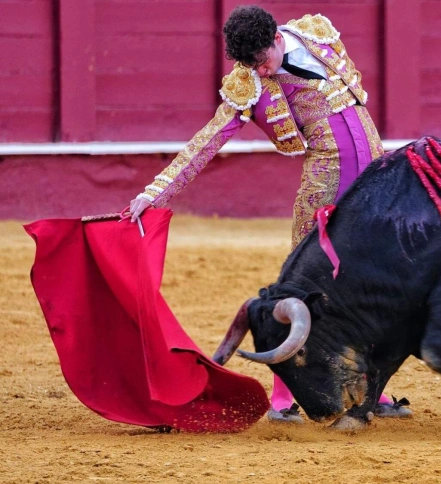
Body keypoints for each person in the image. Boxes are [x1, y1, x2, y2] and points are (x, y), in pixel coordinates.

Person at [128, 5, 411, 423]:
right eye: (250, 65)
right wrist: (155, 193)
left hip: (374, 183)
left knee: (374, 288)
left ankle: (369, 390)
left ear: (278, 40)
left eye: (262, 61)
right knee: (303, 291)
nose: (259, 72)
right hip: (324, 190)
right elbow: (204, 143)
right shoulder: (248, 84)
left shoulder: (317, 34)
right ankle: (283, 398)